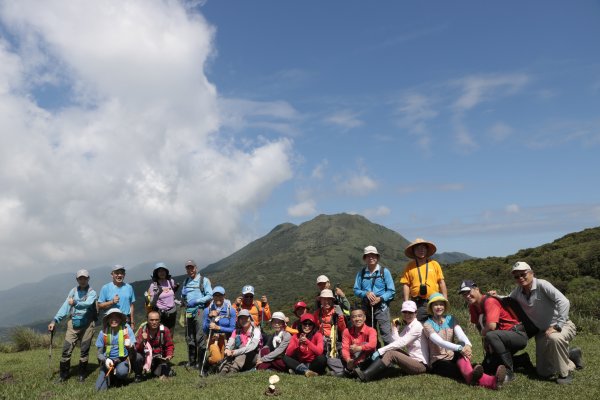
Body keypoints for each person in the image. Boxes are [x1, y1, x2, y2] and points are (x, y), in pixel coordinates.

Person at [509, 261, 583, 384]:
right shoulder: (518, 291)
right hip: (543, 332)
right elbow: (506, 298)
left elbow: (564, 302)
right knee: (543, 372)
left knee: (555, 338)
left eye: (523, 274)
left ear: (532, 273)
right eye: (517, 276)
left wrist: (558, 325)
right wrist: (494, 296)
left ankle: (565, 374)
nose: (520, 278)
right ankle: (571, 358)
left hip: (563, 326)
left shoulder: (542, 284)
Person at [423, 293, 506, 390]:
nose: (439, 307)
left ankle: (472, 374)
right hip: (438, 361)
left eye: (441, 304)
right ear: (431, 307)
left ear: (444, 306)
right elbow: (440, 342)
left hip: (452, 355)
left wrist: (467, 345)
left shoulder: (451, 319)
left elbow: (461, 335)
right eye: (435, 304)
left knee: (462, 351)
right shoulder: (427, 324)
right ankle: (492, 381)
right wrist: (460, 348)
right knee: (460, 370)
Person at [460, 279, 527, 382]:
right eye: (464, 294)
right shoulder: (473, 306)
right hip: (499, 339)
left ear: (477, 289)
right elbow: (478, 325)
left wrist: (486, 337)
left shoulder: (490, 301)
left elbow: (491, 327)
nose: (467, 296)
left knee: (491, 335)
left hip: (516, 334)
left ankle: (509, 372)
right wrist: (486, 343)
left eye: (468, 292)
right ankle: (522, 360)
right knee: (488, 368)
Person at [356, 301, 427, 382]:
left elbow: (402, 343)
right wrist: (394, 329)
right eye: (405, 312)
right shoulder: (409, 326)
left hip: (420, 365)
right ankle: (364, 368)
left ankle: (366, 376)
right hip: (413, 360)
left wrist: (380, 350)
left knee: (391, 353)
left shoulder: (417, 326)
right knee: (391, 350)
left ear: (416, 313)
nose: (407, 315)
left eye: (410, 312)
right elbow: (396, 342)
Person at [48, 269, 97, 382]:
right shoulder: (73, 291)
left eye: (84, 278)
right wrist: (54, 321)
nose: (82, 280)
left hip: (88, 324)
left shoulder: (92, 292)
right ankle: (63, 375)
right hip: (73, 323)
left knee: (84, 350)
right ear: (77, 279)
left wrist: (75, 303)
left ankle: (82, 374)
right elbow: (65, 307)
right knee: (66, 349)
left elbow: (87, 304)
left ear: (88, 279)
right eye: (80, 278)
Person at [353, 245, 396, 345]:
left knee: (386, 334)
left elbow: (391, 291)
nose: (371, 257)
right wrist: (365, 293)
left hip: (381, 307)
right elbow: (356, 290)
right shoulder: (361, 273)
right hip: (366, 308)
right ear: (365, 258)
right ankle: (373, 357)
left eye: (373, 255)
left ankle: (391, 357)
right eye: (368, 256)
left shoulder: (384, 272)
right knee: (367, 334)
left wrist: (380, 298)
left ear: (377, 257)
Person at [400, 238, 447, 322]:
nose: (421, 250)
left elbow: (441, 282)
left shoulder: (434, 264)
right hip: (418, 302)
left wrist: (445, 299)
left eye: (423, 248)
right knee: (419, 327)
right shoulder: (410, 266)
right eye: (418, 248)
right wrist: (406, 302)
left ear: (427, 250)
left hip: (434, 301)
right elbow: (406, 284)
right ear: (414, 251)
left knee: (436, 325)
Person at [181, 259, 213, 369]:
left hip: (200, 311)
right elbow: (183, 297)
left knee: (200, 337)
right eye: (188, 268)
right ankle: (192, 362)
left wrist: (197, 301)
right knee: (190, 337)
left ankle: (201, 362)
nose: (190, 270)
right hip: (188, 312)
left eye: (192, 267)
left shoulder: (204, 280)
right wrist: (183, 297)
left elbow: (210, 295)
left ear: (196, 268)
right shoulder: (185, 282)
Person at [94, 308, 136, 391]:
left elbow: (133, 348)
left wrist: (130, 346)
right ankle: (111, 376)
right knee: (98, 389)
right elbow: (99, 353)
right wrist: (105, 360)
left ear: (120, 319)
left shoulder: (126, 330)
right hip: (107, 361)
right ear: (108, 320)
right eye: (111, 318)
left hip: (122, 360)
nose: (114, 320)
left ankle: (120, 378)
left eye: (116, 317)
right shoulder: (103, 333)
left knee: (122, 372)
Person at [202, 285, 236, 373]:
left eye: (220, 295)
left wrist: (218, 327)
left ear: (224, 296)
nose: (218, 298)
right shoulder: (207, 310)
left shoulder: (230, 310)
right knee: (217, 359)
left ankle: (213, 367)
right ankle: (208, 363)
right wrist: (209, 317)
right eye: (216, 295)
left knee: (222, 360)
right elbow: (205, 329)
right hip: (212, 338)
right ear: (213, 297)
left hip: (225, 339)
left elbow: (233, 329)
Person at [134, 311, 174, 381]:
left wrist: (169, 355)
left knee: (157, 374)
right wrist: (142, 341)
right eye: (151, 320)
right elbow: (137, 349)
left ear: (160, 320)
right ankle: (138, 375)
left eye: (156, 320)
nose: (154, 322)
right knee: (137, 357)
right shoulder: (142, 330)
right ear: (147, 320)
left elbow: (169, 345)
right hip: (146, 356)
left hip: (159, 357)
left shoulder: (165, 330)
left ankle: (161, 370)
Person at [314, 289, 347, 376]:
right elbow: (315, 327)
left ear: (332, 301)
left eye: (329, 299)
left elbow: (342, 328)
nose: (326, 302)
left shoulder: (336, 311)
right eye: (324, 299)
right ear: (320, 301)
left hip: (336, 340)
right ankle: (340, 370)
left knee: (340, 355)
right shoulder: (317, 313)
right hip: (322, 340)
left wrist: (340, 316)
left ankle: (340, 370)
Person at [219, 309, 262, 374]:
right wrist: (227, 349)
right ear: (238, 320)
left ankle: (232, 371)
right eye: (241, 318)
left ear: (250, 319)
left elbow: (252, 347)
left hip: (252, 357)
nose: (244, 320)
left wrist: (236, 352)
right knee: (231, 352)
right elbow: (231, 341)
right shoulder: (236, 331)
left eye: (246, 318)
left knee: (243, 351)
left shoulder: (256, 331)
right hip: (238, 357)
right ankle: (223, 371)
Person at [341, 308, 377, 379]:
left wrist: (358, 348)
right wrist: (348, 360)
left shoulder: (371, 330)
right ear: (351, 320)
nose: (357, 319)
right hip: (351, 359)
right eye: (354, 317)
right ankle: (352, 369)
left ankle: (350, 371)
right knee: (331, 361)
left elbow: (373, 345)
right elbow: (345, 348)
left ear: (364, 318)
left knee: (365, 344)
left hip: (366, 359)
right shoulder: (346, 331)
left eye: (360, 316)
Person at [145, 262, 179, 332]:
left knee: (170, 335)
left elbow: (172, 296)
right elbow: (152, 303)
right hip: (161, 314)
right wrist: (157, 294)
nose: (162, 273)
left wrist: (178, 301)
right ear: (156, 273)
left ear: (166, 272)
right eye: (159, 271)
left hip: (172, 313)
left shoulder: (170, 281)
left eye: (163, 271)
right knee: (161, 335)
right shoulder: (154, 285)